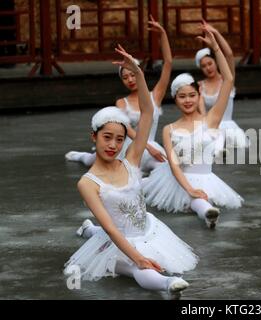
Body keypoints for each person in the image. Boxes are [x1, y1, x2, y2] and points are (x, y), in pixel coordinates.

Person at [64, 45, 197, 297]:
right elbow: (113, 230)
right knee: (140, 265)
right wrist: (138, 257)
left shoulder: (132, 160)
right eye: (107, 138)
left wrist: (139, 73)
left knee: (126, 247)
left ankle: (89, 229)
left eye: (118, 139)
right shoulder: (87, 182)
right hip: (117, 241)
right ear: (94, 136)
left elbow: (147, 112)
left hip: (148, 230)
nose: (113, 145)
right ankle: (168, 285)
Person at [141, 23, 243, 229]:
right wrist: (189, 188)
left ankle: (206, 211)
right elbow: (174, 164)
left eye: (191, 95)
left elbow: (229, 78)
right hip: (177, 179)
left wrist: (215, 47)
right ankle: (206, 212)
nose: (187, 100)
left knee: (196, 197)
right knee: (146, 187)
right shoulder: (168, 129)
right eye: (182, 96)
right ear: (175, 99)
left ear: (199, 96)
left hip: (205, 176)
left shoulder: (211, 119)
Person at [65, 15, 169, 173]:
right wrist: (148, 148)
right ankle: (81, 156)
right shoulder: (122, 103)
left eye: (133, 75)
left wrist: (162, 34)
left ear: (139, 73)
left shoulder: (155, 96)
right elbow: (127, 129)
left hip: (151, 147)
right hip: (129, 147)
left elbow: (168, 63)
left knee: (165, 168)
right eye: (125, 77)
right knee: (93, 160)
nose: (130, 79)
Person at [195, 20, 248, 157]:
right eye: (204, 66)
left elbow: (229, 55)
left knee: (236, 148)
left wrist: (216, 33)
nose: (208, 68)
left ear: (216, 62)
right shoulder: (200, 85)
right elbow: (201, 112)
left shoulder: (227, 80)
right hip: (210, 127)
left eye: (210, 63)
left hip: (229, 128)